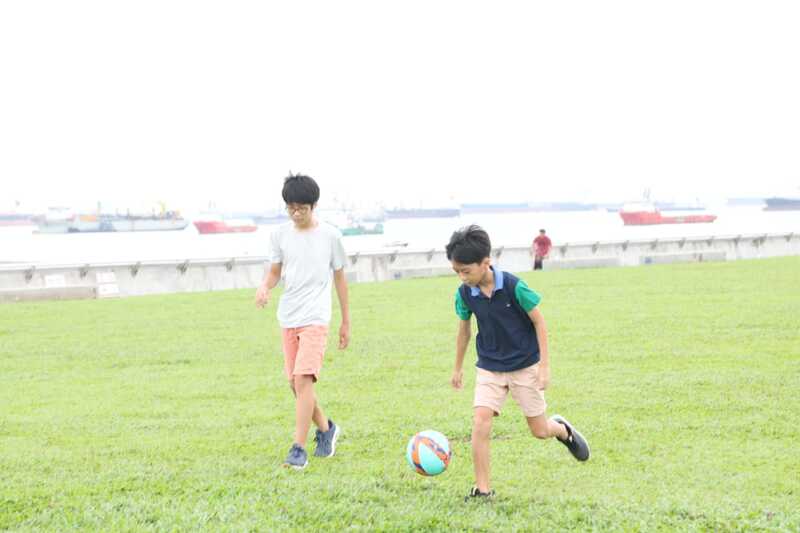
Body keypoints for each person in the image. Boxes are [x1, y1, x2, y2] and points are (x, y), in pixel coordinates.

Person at [446, 225, 589, 500]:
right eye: (457, 272)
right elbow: (463, 330)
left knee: (539, 430)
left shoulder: (513, 286)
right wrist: (457, 367)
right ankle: (483, 489)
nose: (462, 277)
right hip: (489, 366)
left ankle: (562, 430)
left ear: (486, 262)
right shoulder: (464, 294)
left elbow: (539, 321)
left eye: (466, 271)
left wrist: (545, 366)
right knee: (480, 421)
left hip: (524, 365)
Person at [255, 174, 350, 469]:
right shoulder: (280, 235)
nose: (296, 213)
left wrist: (346, 321)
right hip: (288, 316)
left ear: (314, 206)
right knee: (295, 385)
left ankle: (298, 448)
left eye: (302, 208)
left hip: (316, 317)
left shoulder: (331, 236)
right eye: (291, 208)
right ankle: (325, 428)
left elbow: (340, 278)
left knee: (303, 379)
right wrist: (264, 287)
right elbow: (274, 272)